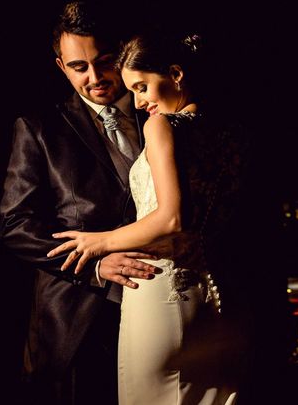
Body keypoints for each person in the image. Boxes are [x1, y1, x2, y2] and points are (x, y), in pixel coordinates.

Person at [47, 31, 256, 405]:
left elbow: (172, 217)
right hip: (213, 296)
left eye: (142, 87)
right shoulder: (231, 133)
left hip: (160, 290)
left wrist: (99, 241)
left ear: (176, 74)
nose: (140, 102)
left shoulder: (161, 127)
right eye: (134, 91)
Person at [0, 1, 158, 405]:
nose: (95, 77)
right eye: (78, 67)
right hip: (79, 320)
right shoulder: (38, 129)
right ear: (60, 67)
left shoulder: (160, 116)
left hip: (163, 309)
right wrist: (96, 264)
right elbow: (16, 225)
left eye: (104, 62)